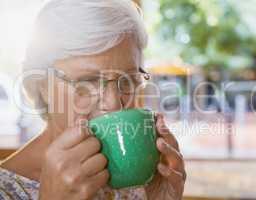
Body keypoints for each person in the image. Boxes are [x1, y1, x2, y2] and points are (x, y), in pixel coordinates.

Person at [0, 0, 186, 199]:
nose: (114, 104)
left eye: (128, 80)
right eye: (88, 81)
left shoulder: (143, 182)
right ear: (43, 85)